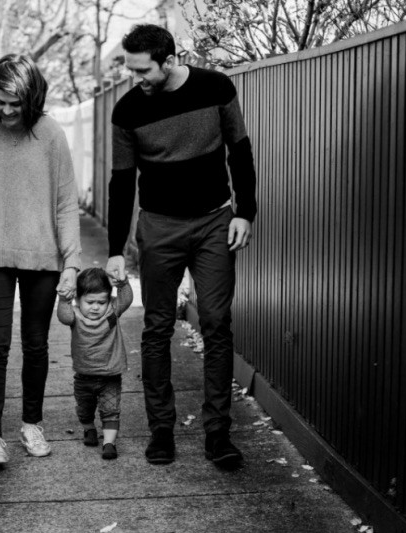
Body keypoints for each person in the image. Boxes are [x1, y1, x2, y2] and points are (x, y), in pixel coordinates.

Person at [106, 24, 257, 468]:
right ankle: (161, 430)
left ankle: (218, 433)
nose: (135, 78)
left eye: (142, 70)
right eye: (131, 69)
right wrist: (115, 248)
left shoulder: (216, 88)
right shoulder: (127, 111)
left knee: (216, 322)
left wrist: (245, 212)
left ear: (169, 60)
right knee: (156, 327)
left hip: (214, 222)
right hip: (159, 227)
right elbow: (121, 182)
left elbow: (240, 151)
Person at [0, 54, 82, 469]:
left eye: (16, 103)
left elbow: (66, 203)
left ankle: (32, 424)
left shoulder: (50, 134)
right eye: (0, 102)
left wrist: (71, 263)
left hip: (43, 257)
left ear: (32, 98)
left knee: (36, 344)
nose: (7, 111)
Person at [57, 267, 133, 460]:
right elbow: (64, 317)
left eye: (101, 302)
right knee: (84, 409)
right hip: (84, 376)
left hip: (110, 375)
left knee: (111, 410)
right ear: (77, 299)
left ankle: (109, 443)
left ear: (108, 299)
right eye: (90, 302)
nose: (96, 307)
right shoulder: (75, 315)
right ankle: (89, 428)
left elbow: (126, 299)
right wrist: (64, 299)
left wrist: (123, 283)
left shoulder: (112, 311)